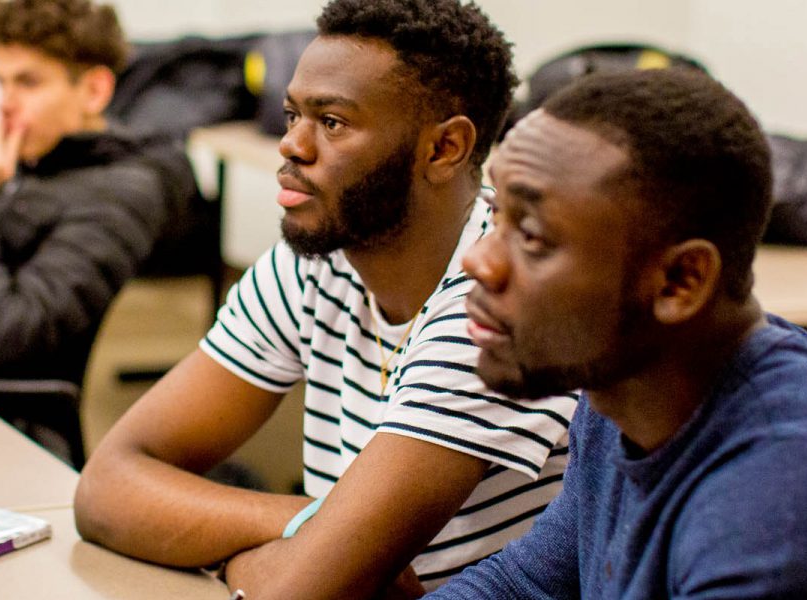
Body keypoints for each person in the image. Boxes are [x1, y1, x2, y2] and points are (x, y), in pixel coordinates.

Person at [427, 70, 807, 599]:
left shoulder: (798, 501)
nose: (479, 259)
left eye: (529, 234)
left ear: (681, 280)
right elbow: (526, 583)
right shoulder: (622, 396)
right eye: (495, 215)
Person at [73, 0, 578, 597]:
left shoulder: (495, 301)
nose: (292, 146)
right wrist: (306, 527)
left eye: (332, 122)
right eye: (291, 116)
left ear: (444, 149)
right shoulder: (320, 255)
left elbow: (304, 592)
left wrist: (278, 555)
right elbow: (107, 486)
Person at [0, 0, 187, 390]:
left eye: (28, 83)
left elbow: (7, 338)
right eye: (0, 82)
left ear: (94, 91)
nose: (6, 103)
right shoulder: (32, 163)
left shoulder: (121, 194)